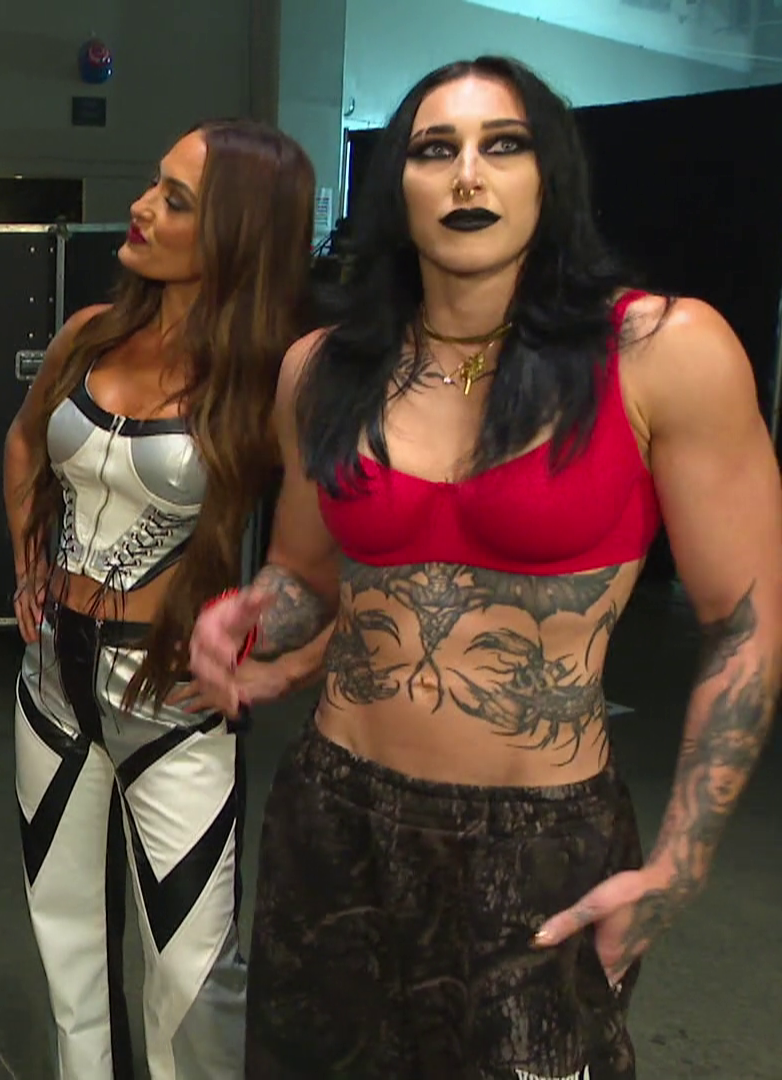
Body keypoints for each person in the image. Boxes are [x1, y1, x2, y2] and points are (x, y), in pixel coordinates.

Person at [189, 56, 782, 1079]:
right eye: (435, 149)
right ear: (397, 186)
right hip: (335, 816)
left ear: (551, 176)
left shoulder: (662, 351)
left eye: (503, 146)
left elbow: (746, 622)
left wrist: (681, 862)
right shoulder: (324, 368)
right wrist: (247, 618)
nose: (469, 174)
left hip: (539, 838)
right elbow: (307, 576)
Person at [2, 119, 324, 1079]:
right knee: (66, 940)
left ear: (237, 232)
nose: (140, 207)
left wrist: (275, 654)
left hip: (174, 696)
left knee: (191, 972)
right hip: (50, 678)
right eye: (154, 184)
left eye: (175, 200)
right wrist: (27, 558)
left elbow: (324, 558)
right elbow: (23, 443)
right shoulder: (89, 335)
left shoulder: (275, 376)